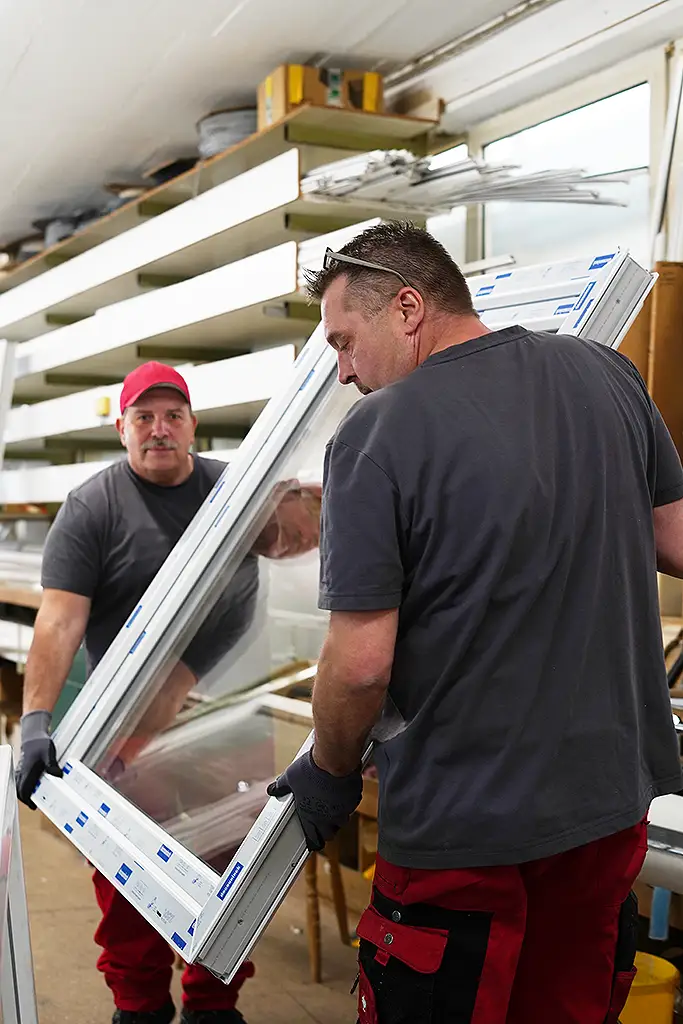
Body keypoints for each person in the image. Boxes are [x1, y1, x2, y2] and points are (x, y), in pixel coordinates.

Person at [269, 222, 683, 1024]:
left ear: (409, 307)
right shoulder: (607, 375)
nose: (344, 372)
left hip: (465, 834)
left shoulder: (377, 434)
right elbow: (674, 540)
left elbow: (359, 665)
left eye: (345, 342)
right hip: (603, 815)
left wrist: (328, 769)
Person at [16, 361, 321, 1024]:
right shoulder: (92, 507)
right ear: (122, 429)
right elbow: (61, 617)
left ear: (192, 425)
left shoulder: (234, 492)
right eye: (143, 418)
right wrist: (35, 718)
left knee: (227, 873)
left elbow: (299, 541)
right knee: (129, 883)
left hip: (230, 720)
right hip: (127, 726)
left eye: (172, 415)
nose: (159, 430)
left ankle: (213, 1005)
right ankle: (139, 1007)